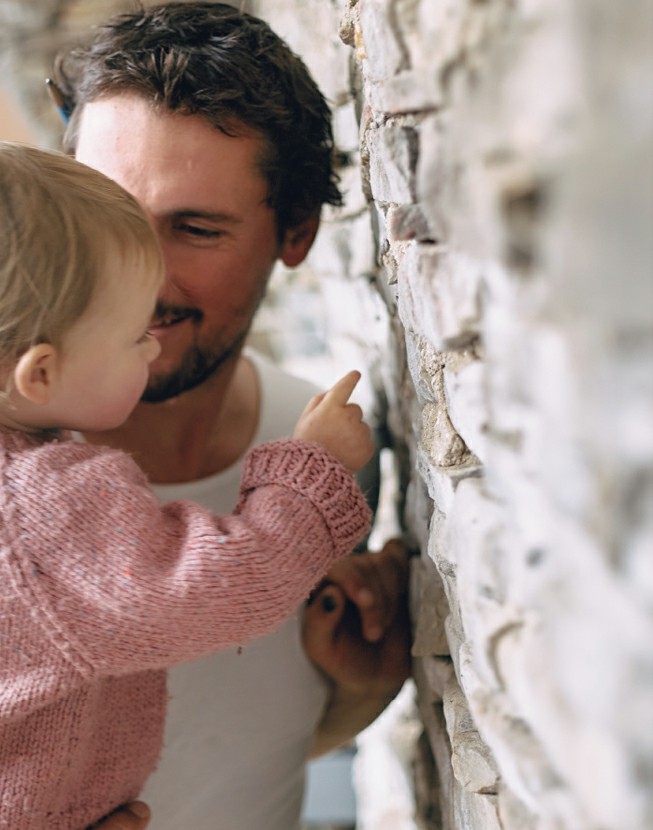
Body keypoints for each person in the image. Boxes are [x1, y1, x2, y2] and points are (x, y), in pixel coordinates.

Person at [52, 3, 413, 828]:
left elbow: (241, 744)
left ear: (295, 232)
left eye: (195, 229)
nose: (135, 275)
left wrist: (360, 687)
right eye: (106, 209)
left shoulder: (323, 458)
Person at [0, 141, 374, 829]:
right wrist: (311, 468)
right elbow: (220, 587)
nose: (152, 346)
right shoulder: (45, 502)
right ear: (41, 373)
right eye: (133, 336)